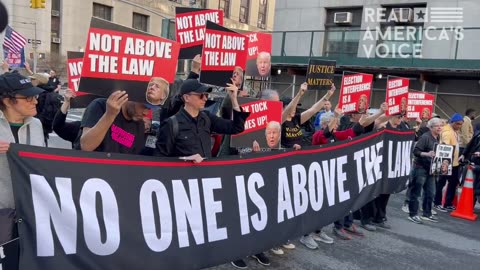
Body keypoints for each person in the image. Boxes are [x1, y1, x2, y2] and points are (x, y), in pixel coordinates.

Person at [0, 72, 45, 244]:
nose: (35, 101)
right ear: (7, 100)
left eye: (34, 96)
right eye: (28, 97)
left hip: (30, 209)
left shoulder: (36, 124)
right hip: (3, 209)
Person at [155, 79, 249, 160]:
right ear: (187, 98)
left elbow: (237, 127)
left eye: (206, 95)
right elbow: (160, 158)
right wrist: (184, 159)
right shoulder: (171, 124)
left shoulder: (207, 118)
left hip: (205, 177)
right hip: (183, 178)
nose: (204, 99)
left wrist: (234, 100)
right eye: (200, 95)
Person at [76, 90, 149, 154]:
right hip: (92, 166)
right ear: (130, 97)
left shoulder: (139, 124)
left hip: (117, 168)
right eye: (144, 106)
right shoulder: (100, 105)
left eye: (149, 109)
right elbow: (86, 146)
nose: (146, 113)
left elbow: (134, 157)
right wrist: (110, 114)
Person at [408, 117, 443, 224]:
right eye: (437, 126)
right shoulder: (425, 137)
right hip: (420, 168)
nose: (439, 127)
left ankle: (427, 213)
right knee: (416, 192)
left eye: (440, 125)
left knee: (430, 193)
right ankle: (413, 214)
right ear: (431, 127)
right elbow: (416, 151)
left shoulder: (438, 137)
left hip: (431, 169)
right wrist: (427, 154)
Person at [281, 82, 335, 149]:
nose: (294, 109)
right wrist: (299, 94)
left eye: (295, 107)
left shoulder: (296, 118)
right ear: (282, 108)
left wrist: (328, 95)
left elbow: (313, 110)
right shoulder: (280, 120)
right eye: (293, 106)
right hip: (287, 155)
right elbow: (287, 111)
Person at [433, 113, 463, 212]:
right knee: (441, 183)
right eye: (458, 124)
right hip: (446, 162)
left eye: (461, 124)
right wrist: (446, 162)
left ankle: (448, 203)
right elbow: (445, 147)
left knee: (453, 183)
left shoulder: (453, 130)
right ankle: (437, 203)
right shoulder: (447, 132)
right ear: (453, 122)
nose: (460, 126)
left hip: (454, 162)